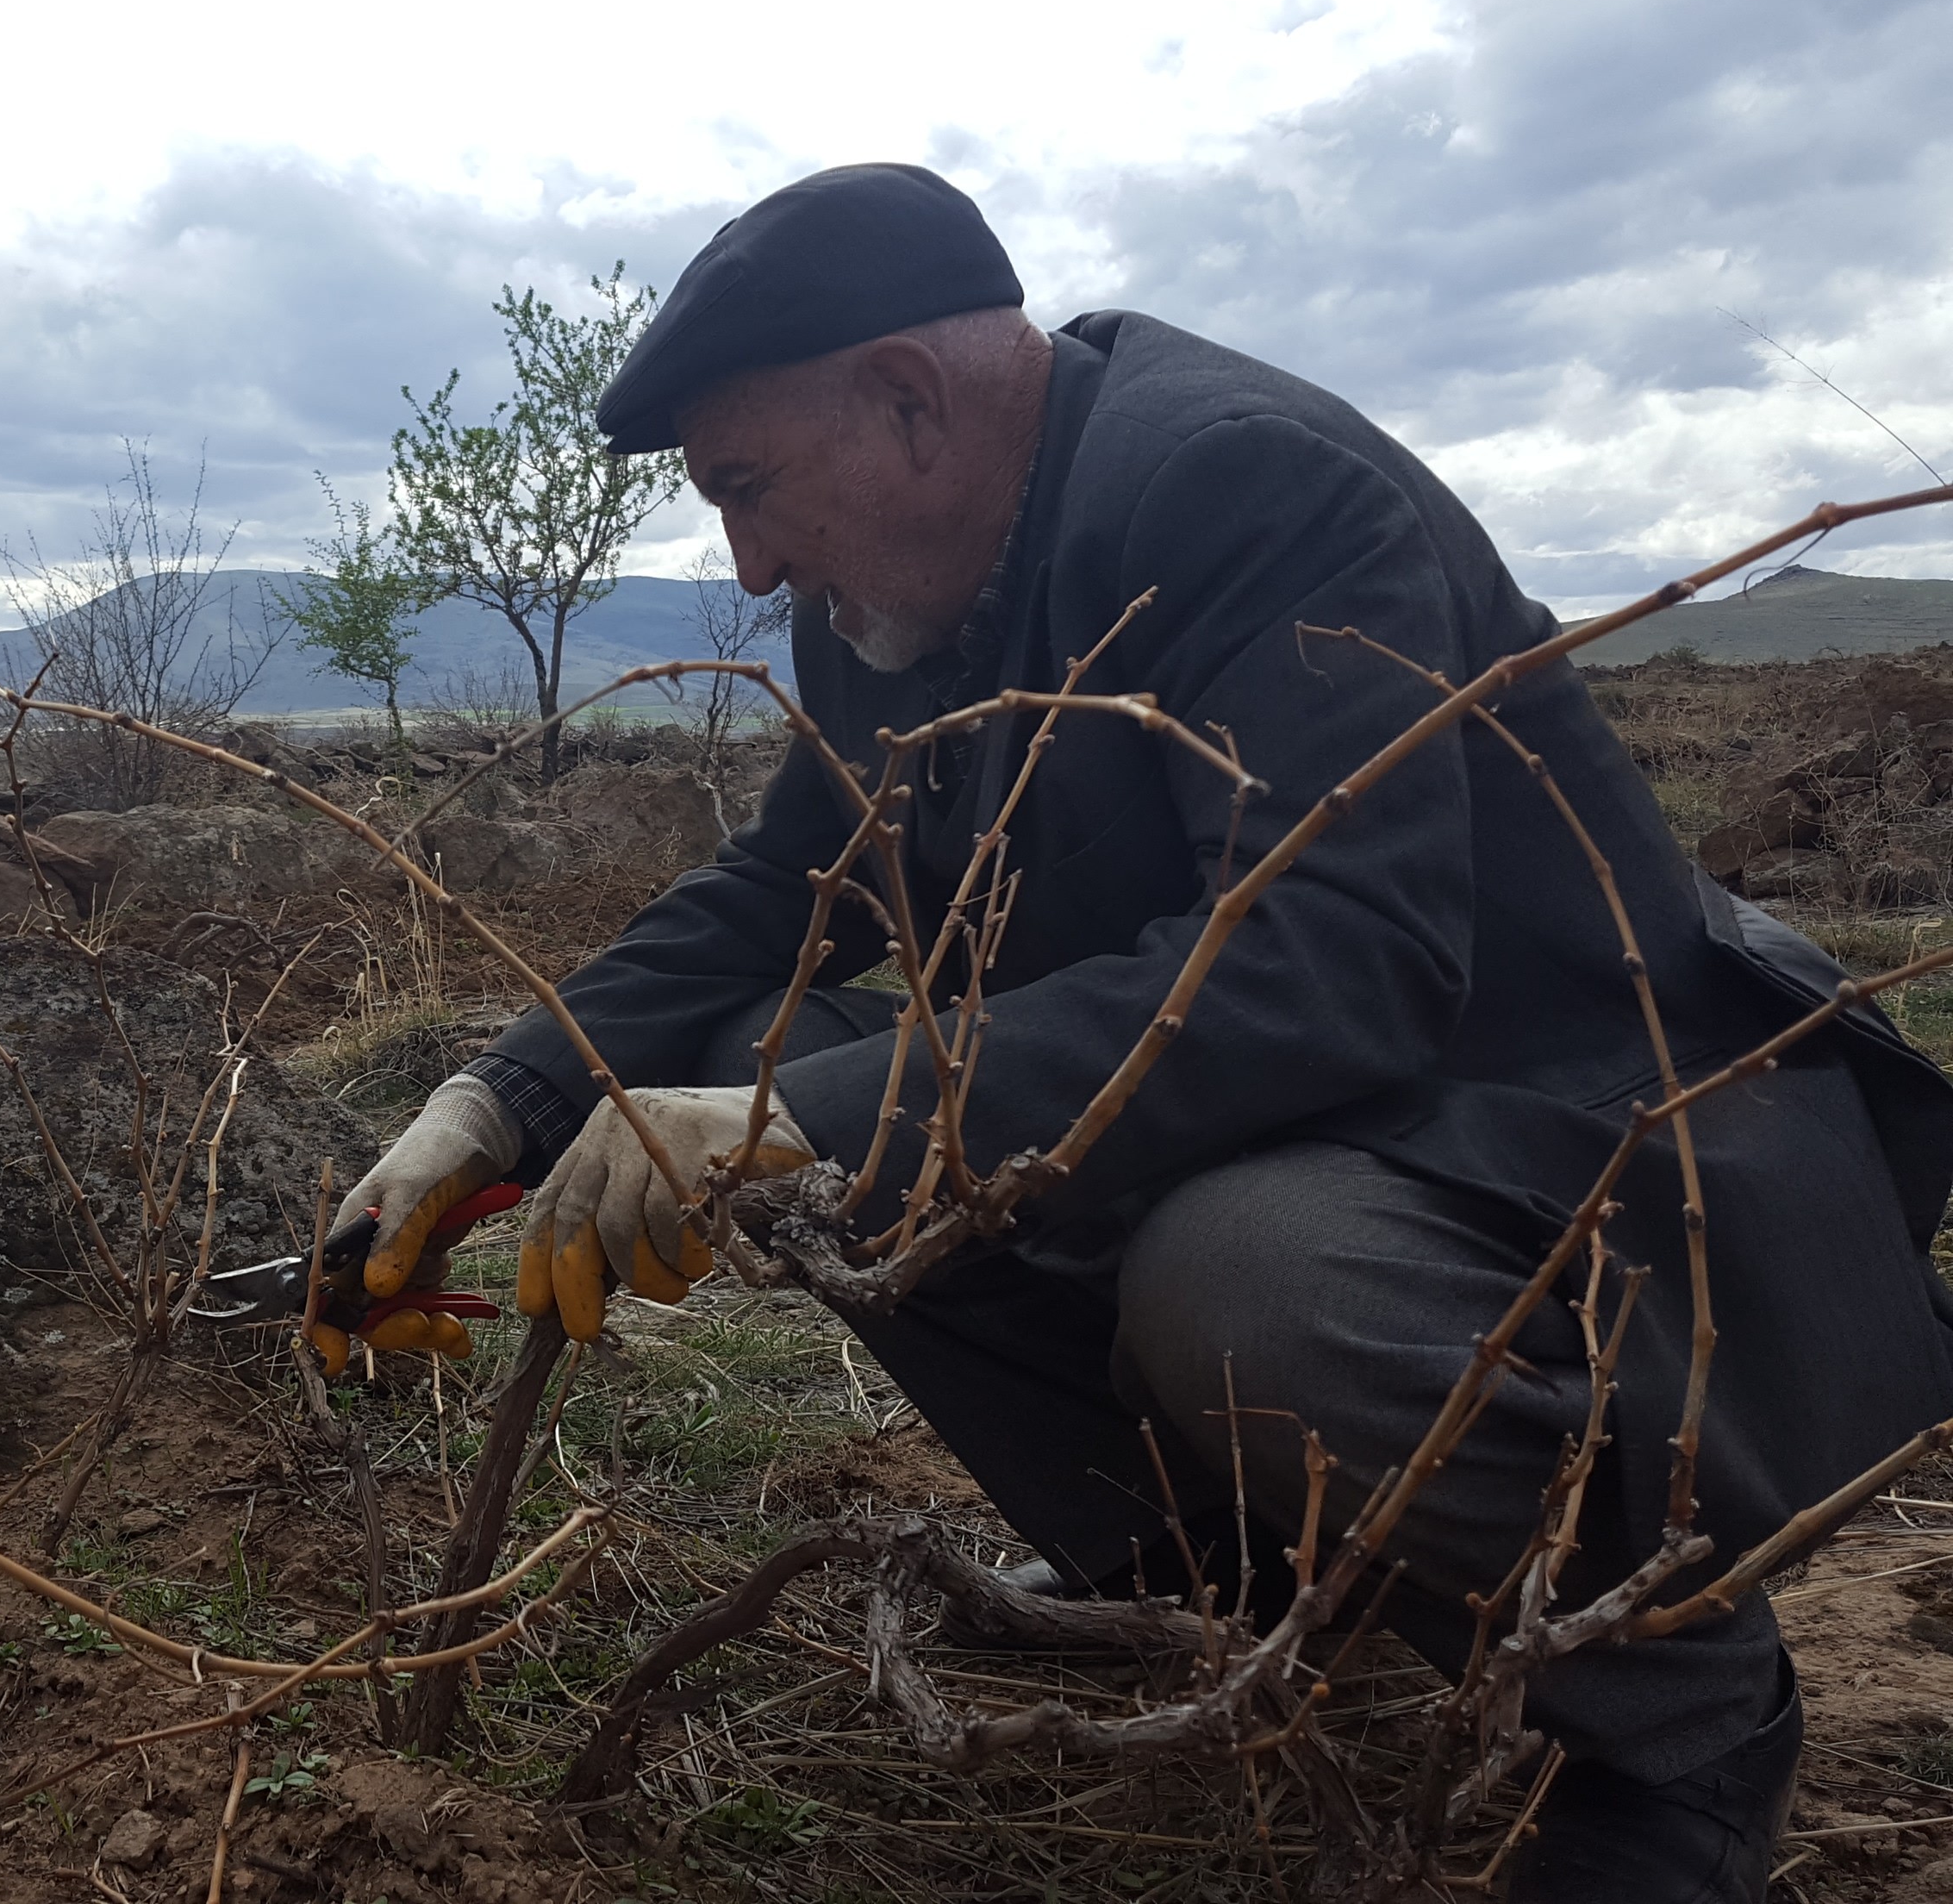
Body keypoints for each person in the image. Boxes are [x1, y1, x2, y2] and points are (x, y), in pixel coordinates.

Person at [333, 164, 1953, 1900]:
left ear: (907, 395)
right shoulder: (887, 600)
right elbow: (783, 891)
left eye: (748, 491)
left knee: (1230, 1269)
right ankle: (1215, 1575)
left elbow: (1340, 966)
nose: (746, 566)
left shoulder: (1246, 485)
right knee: (750, 1049)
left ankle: (1683, 1711)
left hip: (1592, 1158)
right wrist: (489, 1110)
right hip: (1311, 1136)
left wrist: (809, 1118)